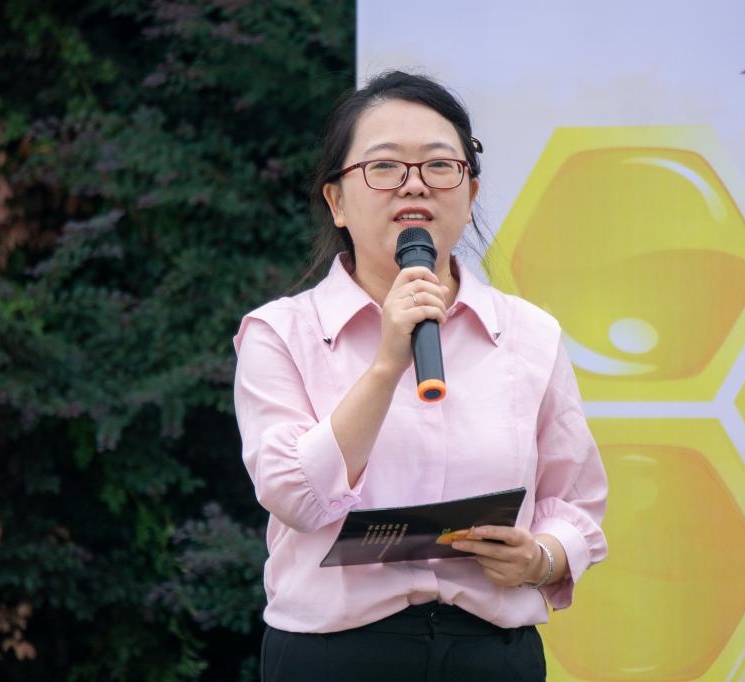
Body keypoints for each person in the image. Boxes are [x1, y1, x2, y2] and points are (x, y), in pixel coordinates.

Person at [233, 71, 608, 682]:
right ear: (336, 201)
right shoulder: (281, 333)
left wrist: (542, 557)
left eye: (439, 166)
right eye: (384, 167)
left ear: (470, 192)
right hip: (335, 657)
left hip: (489, 654)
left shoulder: (530, 335)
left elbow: (575, 500)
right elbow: (294, 496)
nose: (414, 184)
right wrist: (387, 364)